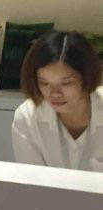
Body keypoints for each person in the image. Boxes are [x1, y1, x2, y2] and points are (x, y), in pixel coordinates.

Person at [12, 31, 103, 170]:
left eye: (66, 83)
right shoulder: (27, 117)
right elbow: (32, 179)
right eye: (44, 83)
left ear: (88, 77)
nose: (55, 93)